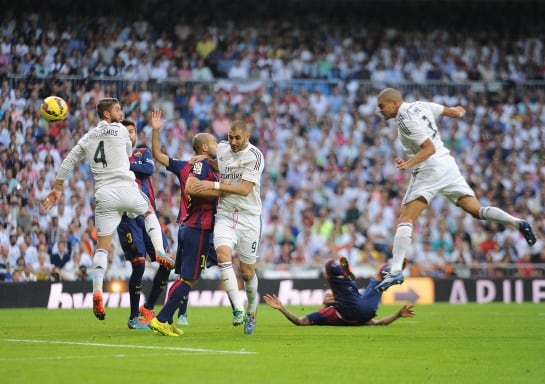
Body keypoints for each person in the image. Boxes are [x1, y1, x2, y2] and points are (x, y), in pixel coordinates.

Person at [374, 88, 537, 292]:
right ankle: (518, 222)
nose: (379, 110)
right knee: (476, 210)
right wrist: (459, 112)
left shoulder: (405, 120)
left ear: (394, 104)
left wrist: (407, 164)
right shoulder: (420, 106)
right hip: (448, 165)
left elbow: (428, 148)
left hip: (429, 168)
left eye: (382, 106)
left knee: (406, 218)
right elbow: (451, 111)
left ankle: (396, 271)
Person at [41, 97, 175, 321]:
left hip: (103, 196)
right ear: (106, 114)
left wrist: (57, 188)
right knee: (149, 210)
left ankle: (97, 292)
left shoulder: (88, 136)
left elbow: (68, 161)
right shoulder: (121, 132)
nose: (121, 113)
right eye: (117, 109)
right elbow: (128, 151)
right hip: (125, 188)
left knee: (102, 247)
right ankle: (160, 250)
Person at [147, 109, 220, 336]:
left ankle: (166, 319)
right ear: (205, 147)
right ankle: (160, 318)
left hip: (187, 226)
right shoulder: (206, 167)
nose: (219, 144)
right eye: (215, 141)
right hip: (199, 226)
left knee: (185, 278)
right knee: (190, 279)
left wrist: (156, 130)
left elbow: (157, 155)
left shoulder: (184, 164)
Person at [193, 120, 265, 334]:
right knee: (223, 255)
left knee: (247, 271)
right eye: (230, 137)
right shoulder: (223, 148)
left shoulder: (255, 156)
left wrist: (213, 185)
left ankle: (252, 310)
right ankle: (238, 309)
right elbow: (217, 158)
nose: (233, 142)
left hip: (249, 217)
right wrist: (205, 157)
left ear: (247, 137)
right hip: (225, 214)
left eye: (237, 138)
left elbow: (244, 189)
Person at [116, 119, 174, 330]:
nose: (130, 134)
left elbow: (149, 169)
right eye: (126, 131)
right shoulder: (114, 158)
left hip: (148, 214)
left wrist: (124, 165)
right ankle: (133, 317)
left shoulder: (142, 153)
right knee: (139, 264)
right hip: (127, 217)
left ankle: (148, 308)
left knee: (167, 261)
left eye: (132, 131)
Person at [263, 256, 415, 326]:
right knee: (378, 272)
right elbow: (379, 323)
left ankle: (347, 276)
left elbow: (300, 321)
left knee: (332, 268)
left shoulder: (326, 315)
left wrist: (282, 308)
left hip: (361, 309)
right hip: (364, 308)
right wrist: (398, 315)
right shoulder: (329, 311)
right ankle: (390, 273)